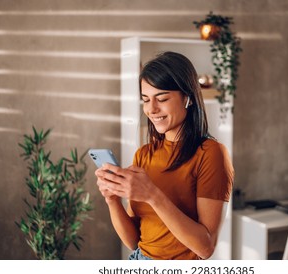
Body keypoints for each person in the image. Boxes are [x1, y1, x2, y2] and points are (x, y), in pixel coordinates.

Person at [95, 51, 234, 260]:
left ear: (187, 98)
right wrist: (112, 199)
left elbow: (205, 248)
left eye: (162, 98)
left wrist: (153, 195)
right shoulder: (144, 155)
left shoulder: (211, 154)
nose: (151, 109)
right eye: (145, 99)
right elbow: (135, 242)